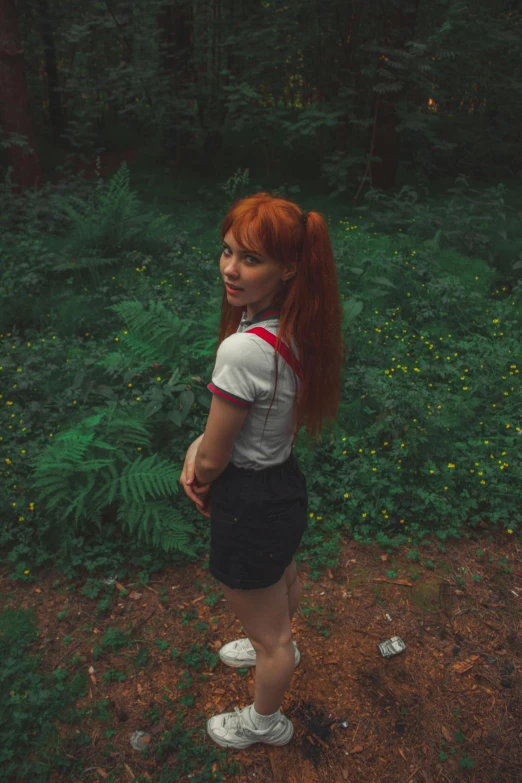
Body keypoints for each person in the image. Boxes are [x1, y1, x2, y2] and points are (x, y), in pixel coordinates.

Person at [179, 191, 347, 749]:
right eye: (227, 252)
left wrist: (197, 470)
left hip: (249, 499)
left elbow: (214, 455)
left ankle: (264, 721)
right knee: (281, 576)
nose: (230, 268)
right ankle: (266, 638)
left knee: (277, 639)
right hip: (282, 485)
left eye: (250, 259)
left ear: (289, 267)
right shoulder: (301, 325)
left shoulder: (243, 350)